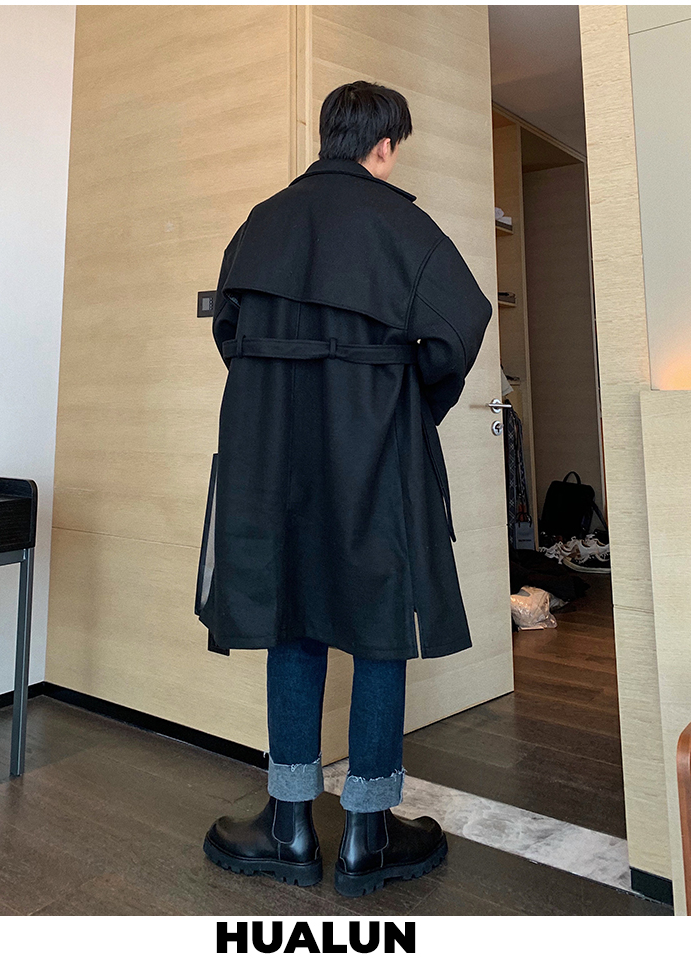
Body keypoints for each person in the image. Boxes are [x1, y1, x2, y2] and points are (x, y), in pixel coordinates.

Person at [197, 80, 493, 897]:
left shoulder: (260, 222)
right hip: (373, 453)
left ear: (329, 137)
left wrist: (281, 398)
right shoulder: (403, 225)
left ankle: (289, 824)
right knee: (379, 623)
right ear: (383, 146)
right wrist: (406, 399)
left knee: (289, 609)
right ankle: (367, 833)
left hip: (271, 456)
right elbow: (462, 325)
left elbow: (229, 332)